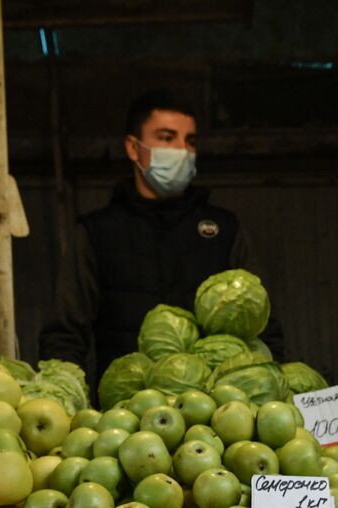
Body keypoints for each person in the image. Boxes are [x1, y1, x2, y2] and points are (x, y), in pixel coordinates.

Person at [40, 90, 283, 375]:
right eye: (167, 138)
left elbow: (264, 325)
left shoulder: (225, 230)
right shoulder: (97, 233)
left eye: (190, 141)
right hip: (123, 410)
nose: (182, 150)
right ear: (133, 148)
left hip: (214, 411)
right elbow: (64, 336)